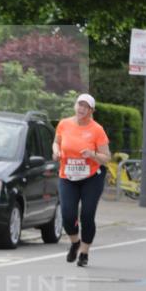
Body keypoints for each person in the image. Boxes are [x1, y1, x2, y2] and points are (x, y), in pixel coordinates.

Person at [53, 94, 111, 267]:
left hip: (91, 178)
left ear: (91, 110)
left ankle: (84, 253)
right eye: (80, 105)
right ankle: (75, 242)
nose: (82, 109)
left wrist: (92, 154)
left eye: (86, 106)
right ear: (75, 106)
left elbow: (106, 157)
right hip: (68, 177)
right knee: (67, 215)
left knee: (87, 215)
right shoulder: (64, 124)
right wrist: (56, 151)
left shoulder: (97, 130)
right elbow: (56, 142)